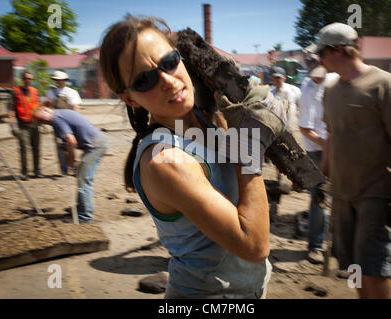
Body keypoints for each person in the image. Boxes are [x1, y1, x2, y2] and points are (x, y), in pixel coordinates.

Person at [99, 16, 272, 298]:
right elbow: (253, 246)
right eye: (145, 80)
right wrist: (250, 150)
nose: (167, 81)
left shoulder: (207, 118)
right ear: (129, 98)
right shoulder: (165, 160)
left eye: (169, 62)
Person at [308, 23, 391, 299]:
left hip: (375, 193)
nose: (319, 60)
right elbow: (331, 137)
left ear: (339, 50)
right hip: (342, 196)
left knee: (374, 267)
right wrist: (323, 178)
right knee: (353, 266)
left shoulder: (383, 84)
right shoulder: (331, 91)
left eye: (322, 53)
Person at [34, 107, 108, 223]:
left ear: (46, 110)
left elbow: (71, 141)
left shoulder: (56, 118)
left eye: (44, 120)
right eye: (42, 122)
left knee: (84, 180)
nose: (46, 123)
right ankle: (80, 208)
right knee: (81, 177)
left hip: (95, 146)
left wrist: (70, 162)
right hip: (97, 143)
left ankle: (85, 216)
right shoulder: (61, 113)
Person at [298, 66, 337, 264]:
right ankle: (316, 245)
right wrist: (325, 143)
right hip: (316, 148)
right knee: (319, 196)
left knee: (342, 196)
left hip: (339, 146)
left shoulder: (337, 79)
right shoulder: (307, 89)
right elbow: (304, 128)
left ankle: (339, 245)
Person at [45, 70, 83, 174]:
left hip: (69, 121)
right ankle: (64, 168)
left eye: (60, 80)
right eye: (56, 80)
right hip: (56, 122)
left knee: (70, 145)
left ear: (65, 80)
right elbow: (48, 107)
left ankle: (73, 165)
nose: (58, 82)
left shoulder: (71, 92)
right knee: (59, 145)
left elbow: (76, 107)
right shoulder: (51, 92)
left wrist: (76, 121)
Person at [9, 71, 42, 180]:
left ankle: (37, 171)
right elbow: (11, 109)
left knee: (36, 148)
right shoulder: (16, 91)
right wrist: (13, 125)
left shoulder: (35, 91)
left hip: (35, 124)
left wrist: (41, 122)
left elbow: (37, 107)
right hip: (22, 125)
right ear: (22, 79)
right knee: (23, 148)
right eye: (26, 78)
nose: (29, 81)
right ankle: (24, 173)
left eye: (30, 79)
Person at [269, 66, 301, 133]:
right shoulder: (269, 92)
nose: (278, 80)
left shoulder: (294, 90)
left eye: (279, 77)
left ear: (284, 77)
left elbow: (302, 108)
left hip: (292, 128)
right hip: (276, 129)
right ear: (271, 78)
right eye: (275, 78)